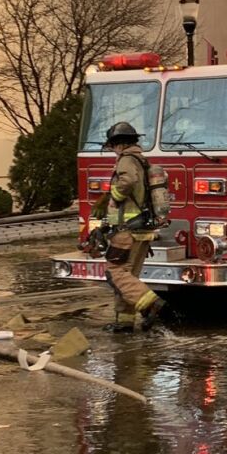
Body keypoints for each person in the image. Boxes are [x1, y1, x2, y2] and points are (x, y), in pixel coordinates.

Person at [87, 122, 166, 332]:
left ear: (118, 144)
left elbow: (128, 181)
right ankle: (124, 322)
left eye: (112, 147)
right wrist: (105, 225)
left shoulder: (126, 159)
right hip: (140, 230)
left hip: (127, 231)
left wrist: (113, 195)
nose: (112, 151)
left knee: (115, 273)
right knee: (128, 276)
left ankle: (150, 303)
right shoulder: (141, 160)